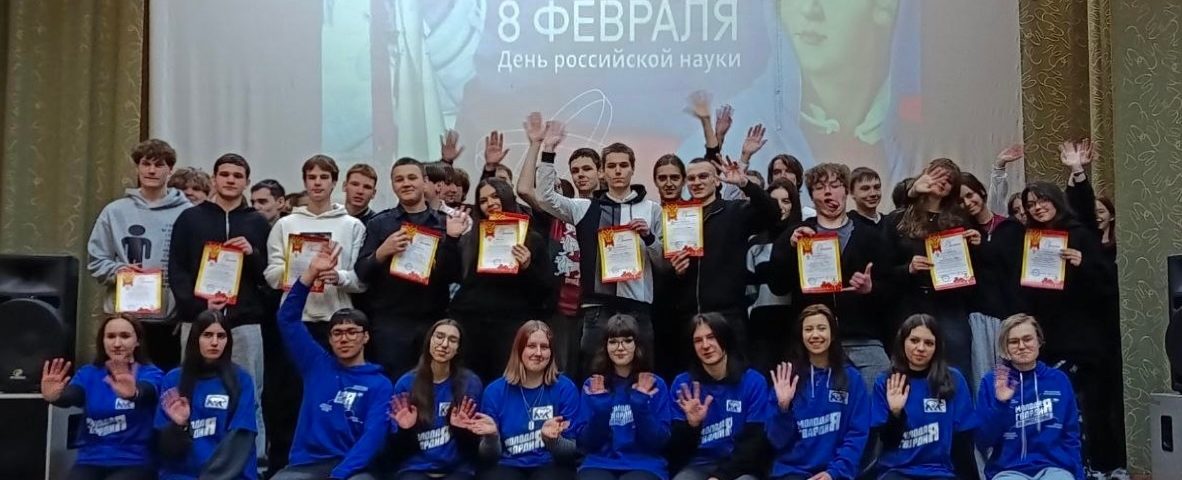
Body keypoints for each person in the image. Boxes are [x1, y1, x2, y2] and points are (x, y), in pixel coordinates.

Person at [533, 121, 664, 376]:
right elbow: (545, 198)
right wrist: (547, 151)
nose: (618, 171)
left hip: (638, 307)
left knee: (641, 378)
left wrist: (648, 238)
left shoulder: (652, 209)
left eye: (623, 165)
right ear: (602, 172)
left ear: (633, 169)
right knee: (595, 378)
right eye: (611, 166)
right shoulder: (583, 208)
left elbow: (662, 264)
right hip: (596, 309)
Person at [167, 153, 270, 463]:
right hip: (198, 321)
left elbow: (270, 277)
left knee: (249, 394)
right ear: (214, 179)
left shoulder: (257, 222)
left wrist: (252, 254)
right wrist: (200, 304)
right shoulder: (190, 218)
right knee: (191, 389)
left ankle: (253, 461)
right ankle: (189, 457)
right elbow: (177, 270)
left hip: (244, 323)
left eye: (238, 176)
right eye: (224, 174)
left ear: (247, 182)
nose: (230, 180)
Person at [1019, 181, 1124, 475]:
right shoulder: (1030, 240)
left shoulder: (1080, 234)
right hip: (1049, 336)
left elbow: (1107, 286)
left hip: (1085, 338)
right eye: (1030, 204)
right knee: (1056, 406)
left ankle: (1103, 465)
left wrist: (1082, 262)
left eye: (1042, 200)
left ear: (1055, 200)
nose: (1037, 208)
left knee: (1093, 407)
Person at [272, 245, 393, 480]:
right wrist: (310, 273)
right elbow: (287, 319)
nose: (344, 339)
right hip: (305, 465)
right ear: (329, 339)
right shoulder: (316, 365)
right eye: (337, 333)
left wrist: (340, 474)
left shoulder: (381, 385)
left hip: (353, 468)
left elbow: (372, 438)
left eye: (352, 332)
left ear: (366, 337)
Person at [768, 163, 888, 391]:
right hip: (812, 340)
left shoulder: (870, 236)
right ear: (812, 196)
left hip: (862, 339)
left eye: (835, 185)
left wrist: (871, 288)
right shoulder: (797, 234)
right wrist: (789, 249)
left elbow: (893, 288)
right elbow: (777, 286)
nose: (828, 192)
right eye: (820, 187)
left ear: (846, 191)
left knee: (881, 395)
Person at [354, 157, 467, 378]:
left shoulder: (445, 223)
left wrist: (452, 240)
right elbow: (361, 273)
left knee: (432, 383)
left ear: (425, 182)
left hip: (433, 321)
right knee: (393, 385)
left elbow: (454, 275)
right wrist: (382, 251)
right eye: (399, 179)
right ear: (393, 185)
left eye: (412, 177)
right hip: (390, 324)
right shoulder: (380, 224)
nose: (406, 183)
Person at [87, 139, 191, 371]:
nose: (151, 170)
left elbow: (194, 265)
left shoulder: (187, 213)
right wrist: (118, 271)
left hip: (170, 320)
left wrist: (185, 307)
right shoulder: (114, 212)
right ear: (137, 168)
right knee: (121, 381)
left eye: (159, 165)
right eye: (146, 164)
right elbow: (96, 260)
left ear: (170, 170)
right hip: (125, 320)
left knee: (165, 382)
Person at [883, 158, 982, 377]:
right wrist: (908, 269)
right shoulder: (897, 219)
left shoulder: (960, 220)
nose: (943, 182)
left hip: (950, 304)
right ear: (924, 175)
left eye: (949, 180)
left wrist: (976, 246)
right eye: (938, 175)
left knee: (956, 367)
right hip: (910, 302)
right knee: (908, 368)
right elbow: (883, 269)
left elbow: (975, 270)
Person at [450, 178, 551, 382]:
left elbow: (546, 292)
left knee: (506, 382)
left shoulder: (533, 239)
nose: (490, 203)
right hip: (472, 325)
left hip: (511, 325)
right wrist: (451, 240)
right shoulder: (470, 238)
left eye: (495, 196)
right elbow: (453, 277)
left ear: (507, 197)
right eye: (483, 200)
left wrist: (527, 267)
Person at [41, 316, 164, 480]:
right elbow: (74, 395)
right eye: (111, 336)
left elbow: (147, 392)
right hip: (90, 459)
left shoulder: (150, 373)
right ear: (103, 341)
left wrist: (134, 393)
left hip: (134, 461)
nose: (117, 343)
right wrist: (56, 397)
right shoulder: (88, 373)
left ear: (137, 341)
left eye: (125, 336)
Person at [514, 113, 585, 377]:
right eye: (547, 188)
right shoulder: (551, 217)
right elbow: (524, 189)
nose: (550, 192)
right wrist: (537, 145)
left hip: (591, 304)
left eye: (557, 188)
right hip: (558, 306)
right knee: (562, 370)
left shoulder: (588, 211)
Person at [468, 321, 584, 480]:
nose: (538, 353)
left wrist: (553, 440)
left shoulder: (565, 388)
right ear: (519, 350)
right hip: (507, 464)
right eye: (531, 346)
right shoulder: (494, 391)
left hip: (551, 465)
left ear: (551, 353)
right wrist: (492, 437)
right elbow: (488, 458)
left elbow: (571, 454)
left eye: (544, 347)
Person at [265, 155, 367, 334]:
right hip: (295, 317)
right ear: (305, 182)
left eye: (324, 177)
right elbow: (271, 275)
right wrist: (299, 273)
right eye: (312, 177)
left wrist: (338, 277)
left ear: (334, 182)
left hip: (338, 320)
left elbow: (361, 280)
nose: (317, 183)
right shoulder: (285, 224)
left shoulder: (353, 226)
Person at [766, 304, 870, 480]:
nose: (815, 335)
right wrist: (783, 408)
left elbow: (857, 435)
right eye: (808, 329)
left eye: (821, 328)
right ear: (801, 335)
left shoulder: (852, 379)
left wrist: (834, 473)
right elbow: (776, 441)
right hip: (791, 473)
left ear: (833, 333)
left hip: (835, 473)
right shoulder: (786, 378)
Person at [975, 314, 1083, 480]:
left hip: (1055, 468)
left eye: (1027, 339)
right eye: (1013, 342)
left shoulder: (1059, 380)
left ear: (1039, 341)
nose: (1021, 346)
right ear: (1005, 347)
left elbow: (1071, 436)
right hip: (1008, 471)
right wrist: (1001, 403)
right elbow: (983, 441)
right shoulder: (992, 382)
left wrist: (1079, 475)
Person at [872, 314, 978, 480]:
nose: (921, 348)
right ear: (903, 342)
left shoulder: (953, 379)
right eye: (914, 340)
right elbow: (887, 442)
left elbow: (963, 441)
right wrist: (895, 413)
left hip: (940, 472)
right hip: (896, 471)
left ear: (937, 347)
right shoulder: (886, 381)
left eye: (928, 343)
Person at [666, 313, 770, 480]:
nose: (705, 345)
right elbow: (675, 452)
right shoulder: (683, 384)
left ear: (726, 339)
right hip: (698, 466)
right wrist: (692, 426)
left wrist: (720, 476)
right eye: (698, 340)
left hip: (741, 468)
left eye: (711, 337)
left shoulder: (753, 382)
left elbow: (754, 444)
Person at [156, 311, 258, 480]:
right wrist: (179, 427)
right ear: (195, 338)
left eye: (221, 336)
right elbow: (164, 450)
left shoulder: (242, 380)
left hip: (229, 475)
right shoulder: (173, 380)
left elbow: (241, 438)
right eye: (208, 335)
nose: (215, 342)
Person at [578, 314, 673, 480]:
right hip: (599, 462)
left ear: (637, 345)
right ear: (605, 347)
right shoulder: (593, 385)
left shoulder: (655, 384)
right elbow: (586, 444)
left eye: (627, 341)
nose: (620, 348)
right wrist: (601, 410)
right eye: (613, 342)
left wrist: (640, 406)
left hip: (645, 464)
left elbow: (659, 443)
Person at [388, 319, 484, 480]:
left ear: (458, 348)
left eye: (452, 340)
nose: (444, 344)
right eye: (439, 336)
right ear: (429, 341)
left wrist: (462, 431)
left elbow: (476, 447)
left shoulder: (471, 383)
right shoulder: (406, 383)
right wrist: (405, 431)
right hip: (415, 468)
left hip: (458, 470)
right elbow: (394, 451)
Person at [745, 178, 801, 373]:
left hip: (795, 326)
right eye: (773, 201)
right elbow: (749, 291)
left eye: (786, 201)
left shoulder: (804, 238)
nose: (780, 207)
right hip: (761, 330)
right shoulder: (755, 243)